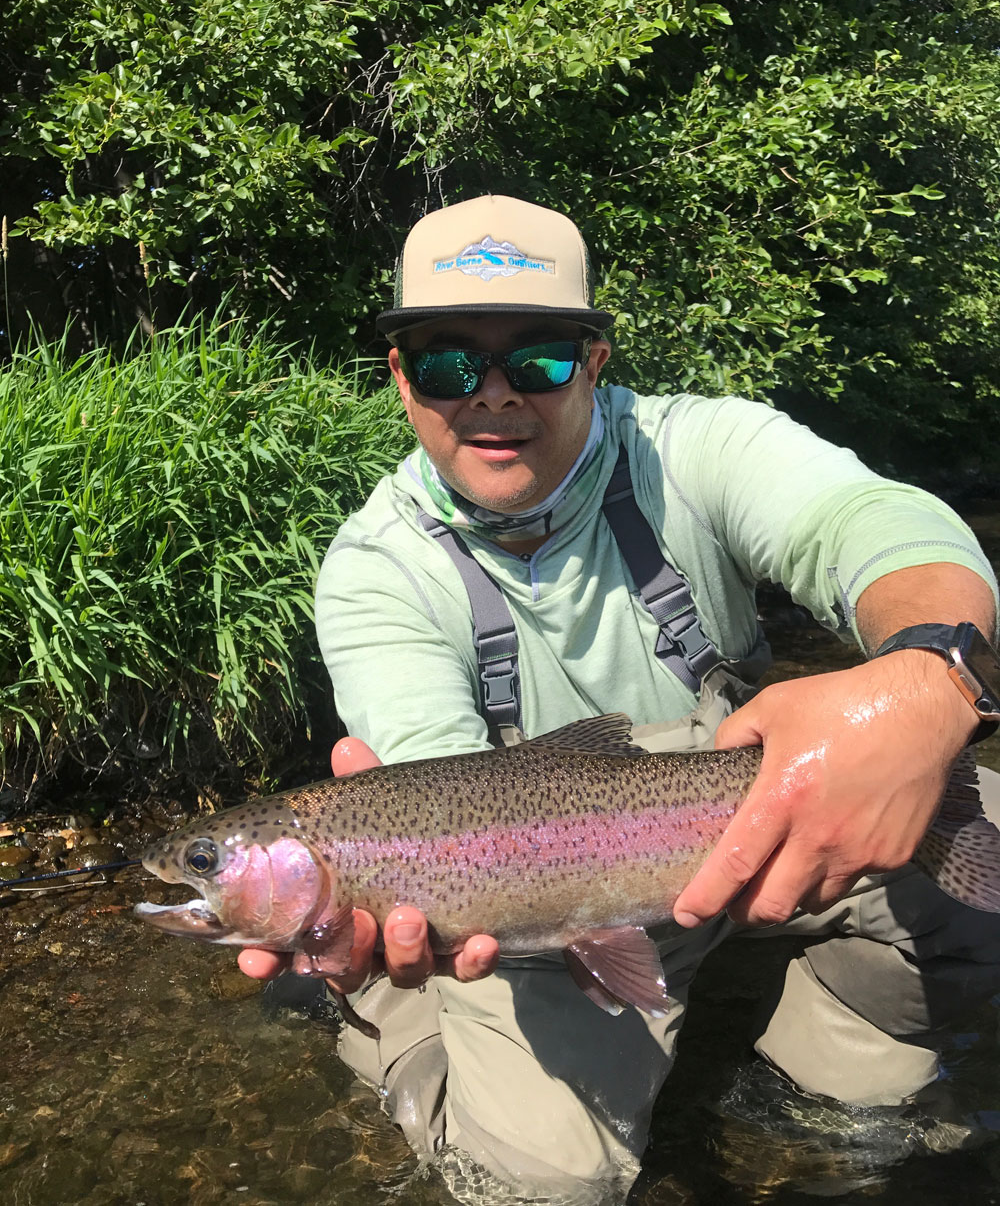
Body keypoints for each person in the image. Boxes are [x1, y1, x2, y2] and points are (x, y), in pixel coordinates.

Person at [240, 195, 1000, 1200]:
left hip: (759, 833)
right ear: (400, 378)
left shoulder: (695, 449)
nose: (494, 395)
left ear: (595, 359)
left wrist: (927, 674)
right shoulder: (374, 571)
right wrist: (385, 915)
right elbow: (430, 805)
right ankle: (405, 1038)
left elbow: (874, 522)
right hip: (541, 898)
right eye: (447, 363)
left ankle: (812, 1065)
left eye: (540, 359)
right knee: (540, 1185)